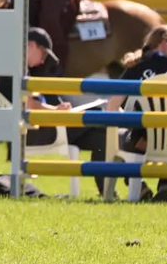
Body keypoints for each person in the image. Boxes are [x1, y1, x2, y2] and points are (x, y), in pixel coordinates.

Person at [106, 24, 167, 202]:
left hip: (142, 142)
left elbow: (113, 106)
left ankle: (138, 187)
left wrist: (128, 119)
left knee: (123, 139)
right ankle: (166, 185)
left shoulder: (136, 67)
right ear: (165, 43)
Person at [23, 27, 108, 192]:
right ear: (31, 45)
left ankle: (106, 191)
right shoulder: (17, 70)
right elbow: (30, 105)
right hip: (37, 131)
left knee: (100, 138)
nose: (43, 61)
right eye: (44, 54)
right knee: (97, 115)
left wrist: (58, 109)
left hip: (44, 128)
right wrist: (56, 111)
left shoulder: (27, 71)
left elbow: (33, 103)